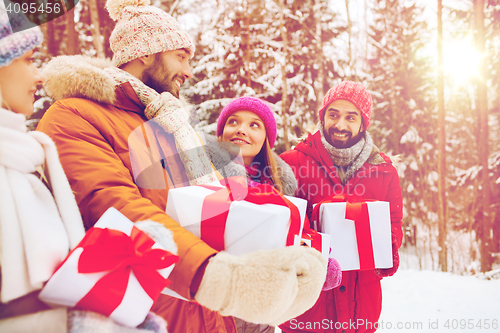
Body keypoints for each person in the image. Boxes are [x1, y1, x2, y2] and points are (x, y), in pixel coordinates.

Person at [37, 0, 328, 331]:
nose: (189, 71)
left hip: (207, 315)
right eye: (181, 56)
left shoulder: (171, 125)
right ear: (145, 53)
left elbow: (222, 203)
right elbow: (112, 206)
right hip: (150, 313)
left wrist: (296, 247)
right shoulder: (76, 115)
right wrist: (216, 276)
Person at [279, 81, 403, 333]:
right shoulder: (291, 163)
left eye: (351, 116)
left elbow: (394, 224)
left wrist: (383, 244)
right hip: (307, 303)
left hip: (361, 305)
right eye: (333, 114)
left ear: (363, 123)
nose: (340, 125)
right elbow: (280, 227)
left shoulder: (384, 170)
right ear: (322, 117)